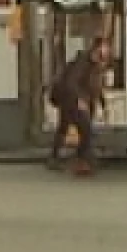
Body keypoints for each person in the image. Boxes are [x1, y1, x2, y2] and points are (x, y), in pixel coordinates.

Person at [47, 38, 111, 176]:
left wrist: (103, 104)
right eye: (104, 49)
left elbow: (96, 87)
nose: (107, 52)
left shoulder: (96, 65)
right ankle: (81, 161)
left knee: (65, 128)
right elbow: (71, 83)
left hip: (79, 102)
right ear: (96, 49)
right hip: (72, 102)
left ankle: (59, 158)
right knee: (86, 131)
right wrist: (80, 99)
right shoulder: (82, 62)